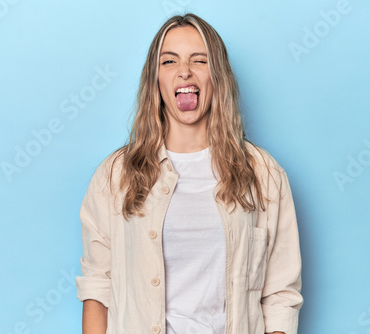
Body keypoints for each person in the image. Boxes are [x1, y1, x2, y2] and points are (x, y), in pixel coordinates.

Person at [76, 13, 303, 334]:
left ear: (218, 77)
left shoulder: (263, 174)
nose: (184, 71)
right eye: (169, 61)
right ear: (154, 79)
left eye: (199, 60)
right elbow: (97, 288)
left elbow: (280, 294)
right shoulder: (115, 176)